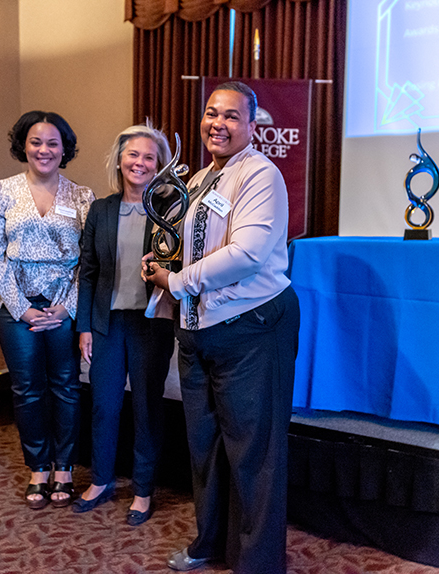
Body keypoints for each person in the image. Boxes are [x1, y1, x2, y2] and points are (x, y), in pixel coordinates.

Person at [143, 82, 300, 574]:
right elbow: (195, 245)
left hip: (250, 331)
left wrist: (178, 279)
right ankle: (210, 542)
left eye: (232, 116)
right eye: (212, 113)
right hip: (196, 335)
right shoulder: (203, 178)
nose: (219, 123)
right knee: (205, 449)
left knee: (255, 455)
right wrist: (162, 263)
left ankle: (258, 563)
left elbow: (247, 254)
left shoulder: (260, 174)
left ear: (253, 126)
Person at [0, 110, 95, 510]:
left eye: (53, 143)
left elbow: (89, 260)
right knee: (27, 390)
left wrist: (67, 307)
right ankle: (38, 467)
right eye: (36, 142)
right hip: (14, 307)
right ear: (23, 145)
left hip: (64, 306)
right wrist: (21, 307)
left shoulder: (82, 197)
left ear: (65, 148)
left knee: (66, 387)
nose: (44, 149)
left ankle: (65, 468)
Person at [73, 123, 175, 526]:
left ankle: (143, 489)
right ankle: (101, 480)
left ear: (159, 166)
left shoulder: (170, 212)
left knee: (148, 408)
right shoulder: (100, 209)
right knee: (104, 405)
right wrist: (83, 325)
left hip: (151, 324)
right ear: (120, 160)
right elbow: (89, 271)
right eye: (133, 155)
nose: (140, 163)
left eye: (149, 157)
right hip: (106, 323)